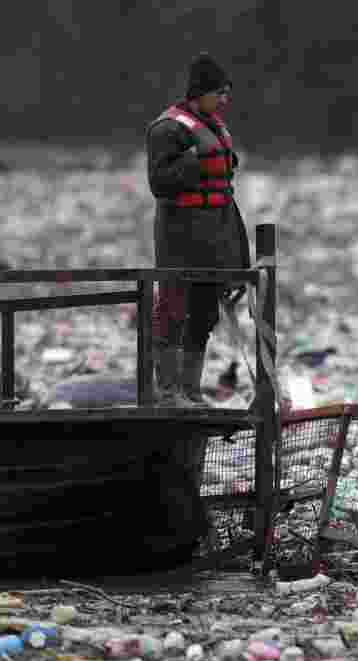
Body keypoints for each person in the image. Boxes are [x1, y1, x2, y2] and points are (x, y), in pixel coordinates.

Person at [145, 52, 250, 405]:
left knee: (204, 313)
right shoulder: (167, 129)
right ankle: (169, 391)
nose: (225, 100)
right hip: (179, 236)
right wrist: (193, 163)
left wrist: (236, 255)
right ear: (199, 92)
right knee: (173, 309)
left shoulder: (216, 129)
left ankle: (190, 390)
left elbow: (225, 191)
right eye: (219, 93)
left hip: (215, 235)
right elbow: (159, 183)